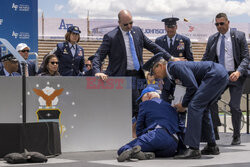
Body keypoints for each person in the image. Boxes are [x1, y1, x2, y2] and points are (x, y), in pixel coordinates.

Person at [92, 9, 182, 117]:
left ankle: (137, 131)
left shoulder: (137, 31)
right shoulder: (111, 37)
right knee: (133, 109)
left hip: (138, 76)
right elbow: (98, 56)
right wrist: (97, 72)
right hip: (122, 77)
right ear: (119, 23)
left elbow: (153, 47)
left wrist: (170, 58)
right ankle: (132, 131)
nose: (129, 26)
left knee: (141, 106)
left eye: (131, 23)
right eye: (126, 24)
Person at [143, 53, 229, 159]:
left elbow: (192, 86)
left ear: (160, 66)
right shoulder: (170, 75)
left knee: (194, 107)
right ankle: (212, 146)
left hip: (215, 74)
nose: (154, 76)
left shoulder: (175, 67)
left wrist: (183, 105)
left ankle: (193, 149)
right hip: (218, 74)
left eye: (153, 72)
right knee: (203, 108)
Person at [202, 13, 249, 145]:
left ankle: (236, 135)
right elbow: (206, 58)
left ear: (228, 22)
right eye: (216, 24)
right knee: (210, 101)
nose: (219, 26)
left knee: (234, 106)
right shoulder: (212, 39)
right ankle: (214, 131)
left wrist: (238, 72)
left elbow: (245, 57)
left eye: (221, 23)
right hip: (219, 76)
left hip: (236, 76)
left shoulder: (239, 36)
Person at [117, 87, 181, 162]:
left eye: (142, 98)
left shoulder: (145, 104)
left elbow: (139, 127)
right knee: (155, 151)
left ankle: (133, 151)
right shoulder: (171, 107)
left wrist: (140, 139)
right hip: (173, 144)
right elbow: (181, 127)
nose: (141, 101)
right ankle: (144, 153)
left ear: (148, 95)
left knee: (122, 150)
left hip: (157, 135)